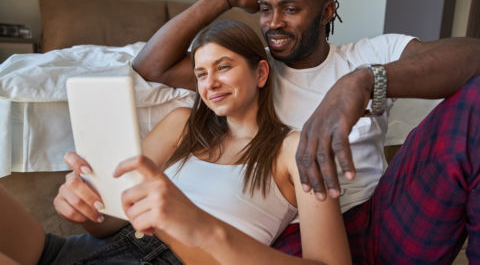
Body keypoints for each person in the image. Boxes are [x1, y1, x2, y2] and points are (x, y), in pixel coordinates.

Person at [132, 0, 480, 263]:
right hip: (296, 235)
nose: (273, 23)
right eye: (266, 8)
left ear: (327, 12)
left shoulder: (367, 55)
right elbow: (151, 66)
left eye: (290, 9)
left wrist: (361, 82)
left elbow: (471, 57)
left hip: (382, 218)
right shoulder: (251, 74)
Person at [0, 20, 351, 264]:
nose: (210, 83)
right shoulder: (182, 124)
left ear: (260, 73)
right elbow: (108, 221)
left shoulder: (294, 149)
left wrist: (198, 224)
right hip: (90, 249)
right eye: (201, 74)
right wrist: (85, 207)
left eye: (223, 67)